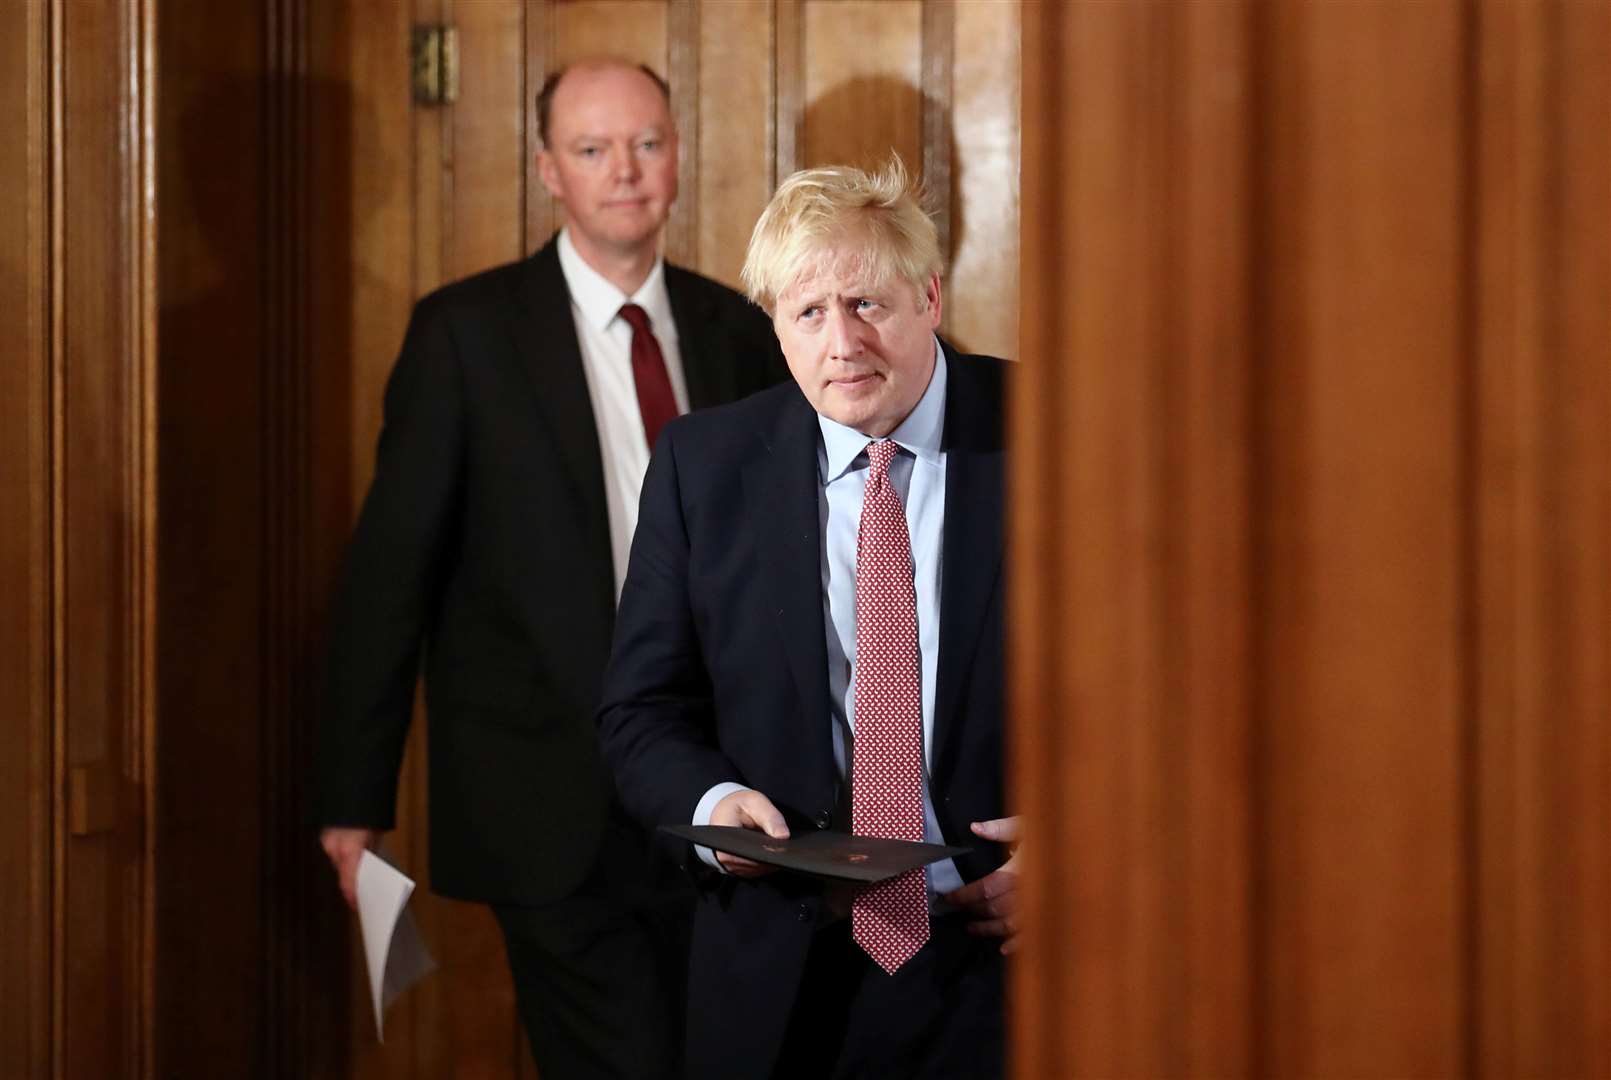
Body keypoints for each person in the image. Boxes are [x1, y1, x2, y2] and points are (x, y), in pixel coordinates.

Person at [315, 58, 784, 1077]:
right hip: (546, 803)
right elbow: (391, 577)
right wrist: (355, 799)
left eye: (648, 144)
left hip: (722, 792)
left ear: (677, 158)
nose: (625, 170)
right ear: (547, 172)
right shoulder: (465, 336)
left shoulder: (741, 333)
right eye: (592, 149)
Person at [597, 158, 1020, 1079]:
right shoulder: (704, 467)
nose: (842, 344)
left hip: (1009, 959)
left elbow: (1170, 696)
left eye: (867, 304)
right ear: (777, 328)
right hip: (782, 970)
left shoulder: (1055, 434)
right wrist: (713, 806)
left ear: (930, 296)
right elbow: (640, 710)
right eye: (808, 313)